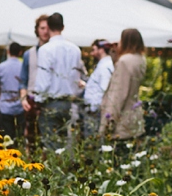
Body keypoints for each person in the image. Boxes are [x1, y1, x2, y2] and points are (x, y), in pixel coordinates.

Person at [25, 12, 83, 150]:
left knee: (51, 144)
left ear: (49, 27)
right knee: (64, 142)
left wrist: (37, 100)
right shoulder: (75, 49)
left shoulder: (45, 50)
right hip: (68, 102)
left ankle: (54, 170)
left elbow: (43, 81)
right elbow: (76, 78)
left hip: (51, 103)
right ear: (63, 27)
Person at [99, 28, 147, 144]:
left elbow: (118, 95)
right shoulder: (140, 59)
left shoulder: (124, 61)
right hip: (134, 117)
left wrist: (107, 124)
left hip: (122, 121)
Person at [18, 14, 50, 148]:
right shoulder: (28, 54)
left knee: (48, 138)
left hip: (50, 100)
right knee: (31, 138)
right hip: (32, 100)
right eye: (42, 28)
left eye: (48, 28)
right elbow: (23, 80)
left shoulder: (54, 51)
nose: (45, 31)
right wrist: (23, 99)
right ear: (37, 30)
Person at [81, 39, 115, 137]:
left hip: (96, 112)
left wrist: (94, 108)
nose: (92, 53)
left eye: (94, 50)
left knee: (93, 140)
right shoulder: (103, 65)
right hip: (94, 110)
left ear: (101, 50)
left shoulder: (105, 67)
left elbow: (104, 89)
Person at [0, 42, 25, 142]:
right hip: (20, 104)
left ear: (8, 51)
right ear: (20, 52)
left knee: (7, 136)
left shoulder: (1, 67)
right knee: (19, 135)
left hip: (5, 105)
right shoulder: (23, 66)